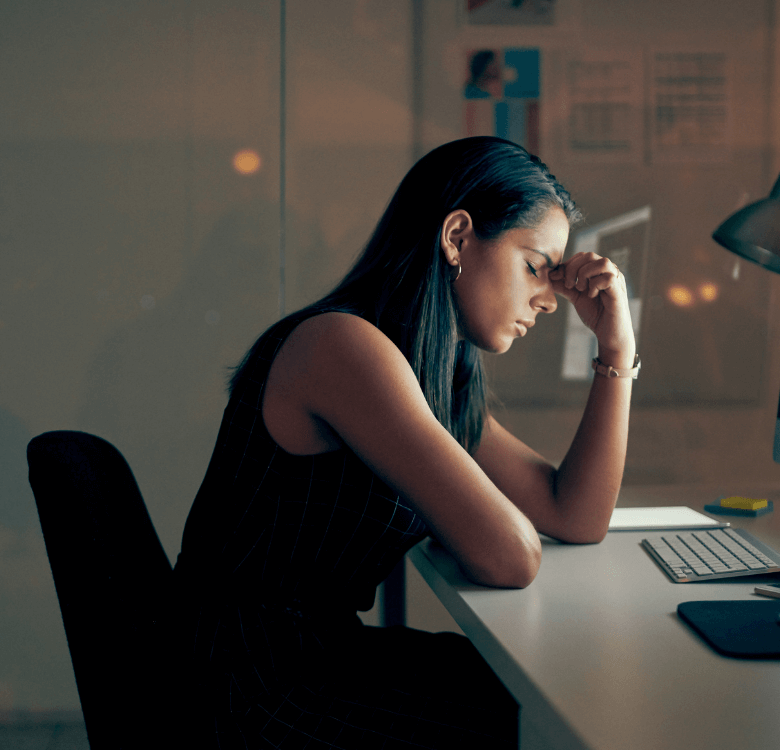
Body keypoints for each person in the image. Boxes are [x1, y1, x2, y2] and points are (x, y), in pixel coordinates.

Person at [168, 136, 637, 748]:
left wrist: (617, 350)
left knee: (555, 690)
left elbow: (575, 516)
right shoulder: (343, 348)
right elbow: (510, 557)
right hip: (247, 688)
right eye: (533, 266)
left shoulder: (433, 374)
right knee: (532, 719)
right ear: (457, 237)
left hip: (317, 656)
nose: (548, 299)